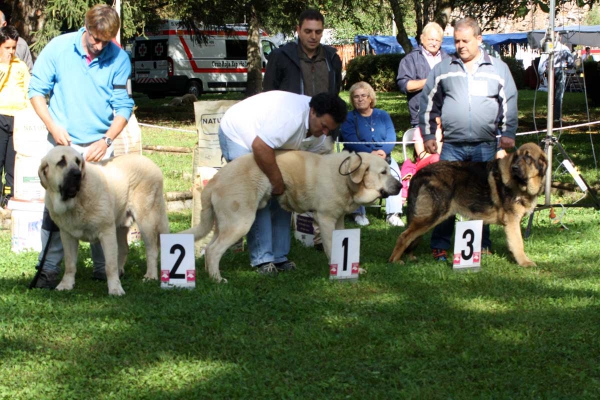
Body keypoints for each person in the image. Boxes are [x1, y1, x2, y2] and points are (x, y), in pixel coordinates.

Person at [30, 4, 134, 289]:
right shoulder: (59, 48)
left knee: (101, 207)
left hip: (98, 146)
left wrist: (107, 140)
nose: (99, 46)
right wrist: (53, 126)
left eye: (106, 41)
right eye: (95, 39)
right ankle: (49, 268)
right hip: (62, 143)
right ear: (86, 28)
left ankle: (105, 270)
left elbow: (124, 106)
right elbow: (36, 91)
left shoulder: (120, 58)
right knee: (55, 206)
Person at [419, 17, 518, 262]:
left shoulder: (498, 68)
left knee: (483, 197)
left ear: (479, 39)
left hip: (485, 146)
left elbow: (510, 102)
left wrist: (508, 133)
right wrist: (429, 134)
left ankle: (481, 245)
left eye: (465, 40)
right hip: (452, 146)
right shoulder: (443, 68)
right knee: (445, 197)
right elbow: (428, 103)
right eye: (457, 41)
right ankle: (439, 245)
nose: (461, 46)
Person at [218, 90, 347, 275]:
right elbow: (260, 147)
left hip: (269, 143)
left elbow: (313, 166)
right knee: (259, 195)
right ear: (312, 112)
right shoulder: (290, 117)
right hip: (239, 134)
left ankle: (279, 257)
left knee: (284, 196)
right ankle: (262, 259)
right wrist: (276, 180)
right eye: (323, 126)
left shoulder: (321, 135)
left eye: (330, 129)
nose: (325, 132)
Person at [339, 81, 404, 227]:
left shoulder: (383, 115)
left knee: (394, 174)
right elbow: (350, 140)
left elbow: (391, 137)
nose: (360, 99)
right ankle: (358, 212)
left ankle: (393, 214)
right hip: (358, 156)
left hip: (383, 156)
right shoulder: (349, 117)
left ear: (370, 98)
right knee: (357, 175)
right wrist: (370, 154)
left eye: (363, 95)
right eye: (356, 97)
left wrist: (383, 151)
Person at [263, 9, 342, 96]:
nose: (313, 36)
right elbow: (269, 94)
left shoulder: (332, 58)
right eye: (308, 31)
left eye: (318, 32)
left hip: (325, 109)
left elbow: (335, 93)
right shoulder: (281, 56)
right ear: (298, 30)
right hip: (292, 109)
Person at [397, 22, 449, 128]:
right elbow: (404, 85)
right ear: (422, 38)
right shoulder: (410, 59)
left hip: (447, 119)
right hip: (421, 118)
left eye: (437, 40)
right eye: (430, 39)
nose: (434, 43)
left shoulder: (448, 60)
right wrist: (431, 80)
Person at [0, 25, 29, 209]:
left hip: (17, 119)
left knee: (13, 162)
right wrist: (3, 65)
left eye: (13, 47)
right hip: (0, 114)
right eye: (6, 48)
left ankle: (8, 197)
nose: (10, 52)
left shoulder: (20, 66)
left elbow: (27, 89)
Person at [538, 35, 574, 122]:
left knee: (551, 93)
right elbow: (571, 62)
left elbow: (542, 62)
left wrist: (541, 74)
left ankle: (551, 114)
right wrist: (568, 66)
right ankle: (556, 116)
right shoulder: (564, 48)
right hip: (560, 70)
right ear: (560, 38)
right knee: (559, 94)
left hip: (549, 70)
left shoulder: (547, 47)